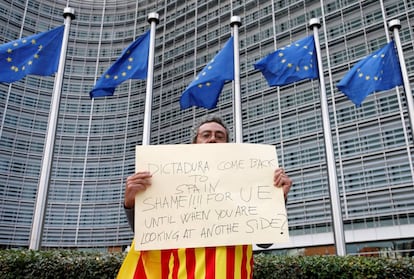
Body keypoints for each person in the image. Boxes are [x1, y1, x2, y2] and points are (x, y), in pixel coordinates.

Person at [121, 115, 292, 279]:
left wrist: (278, 199)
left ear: (228, 145)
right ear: (194, 144)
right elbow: (149, 236)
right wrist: (130, 204)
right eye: (205, 135)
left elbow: (265, 243)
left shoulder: (248, 184)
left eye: (219, 136)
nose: (212, 139)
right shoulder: (171, 183)